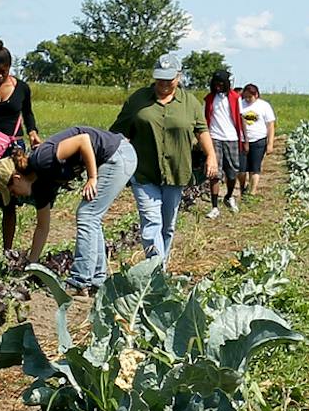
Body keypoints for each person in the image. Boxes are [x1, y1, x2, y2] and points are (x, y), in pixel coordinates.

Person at [0, 124, 136, 291]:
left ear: (17, 178)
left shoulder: (41, 159)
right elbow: (42, 227)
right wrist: (30, 267)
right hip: (116, 157)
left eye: (12, 191)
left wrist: (92, 177)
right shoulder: (40, 185)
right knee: (91, 217)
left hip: (117, 155)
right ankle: (97, 280)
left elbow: (83, 140)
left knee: (87, 215)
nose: (16, 196)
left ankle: (80, 280)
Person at [112, 55, 215, 263]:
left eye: (169, 79)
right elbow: (119, 132)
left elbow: (201, 130)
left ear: (179, 77)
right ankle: (155, 270)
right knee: (151, 222)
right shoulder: (138, 100)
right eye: (160, 78)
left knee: (168, 225)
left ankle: (162, 265)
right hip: (143, 172)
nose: (164, 84)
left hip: (176, 172)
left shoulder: (190, 103)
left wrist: (211, 156)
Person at [0, 38, 40, 255]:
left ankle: (7, 251)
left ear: (9, 67)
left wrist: (33, 132)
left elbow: (28, 113)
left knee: (10, 201)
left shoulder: (21, 88)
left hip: (13, 148)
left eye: (2, 71)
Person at [202, 68, 241, 216]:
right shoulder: (209, 99)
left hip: (232, 138)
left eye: (221, 83)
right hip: (214, 138)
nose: (218, 85)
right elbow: (203, 120)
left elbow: (240, 118)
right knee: (214, 173)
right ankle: (214, 207)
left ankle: (229, 196)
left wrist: (244, 140)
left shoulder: (235, 98)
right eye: (216, 83)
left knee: (232, 173)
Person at [237, 81, 278, 199]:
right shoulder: (239, 104)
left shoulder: (264, 106)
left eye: (250, 97)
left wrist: (270, 143)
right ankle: (242, 187)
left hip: (259, 140)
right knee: (241, 169)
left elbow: (270, 125)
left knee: (255, 168)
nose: (248, 99)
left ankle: (252, 192)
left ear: (256, 95)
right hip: (243, 140)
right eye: (246, 96)